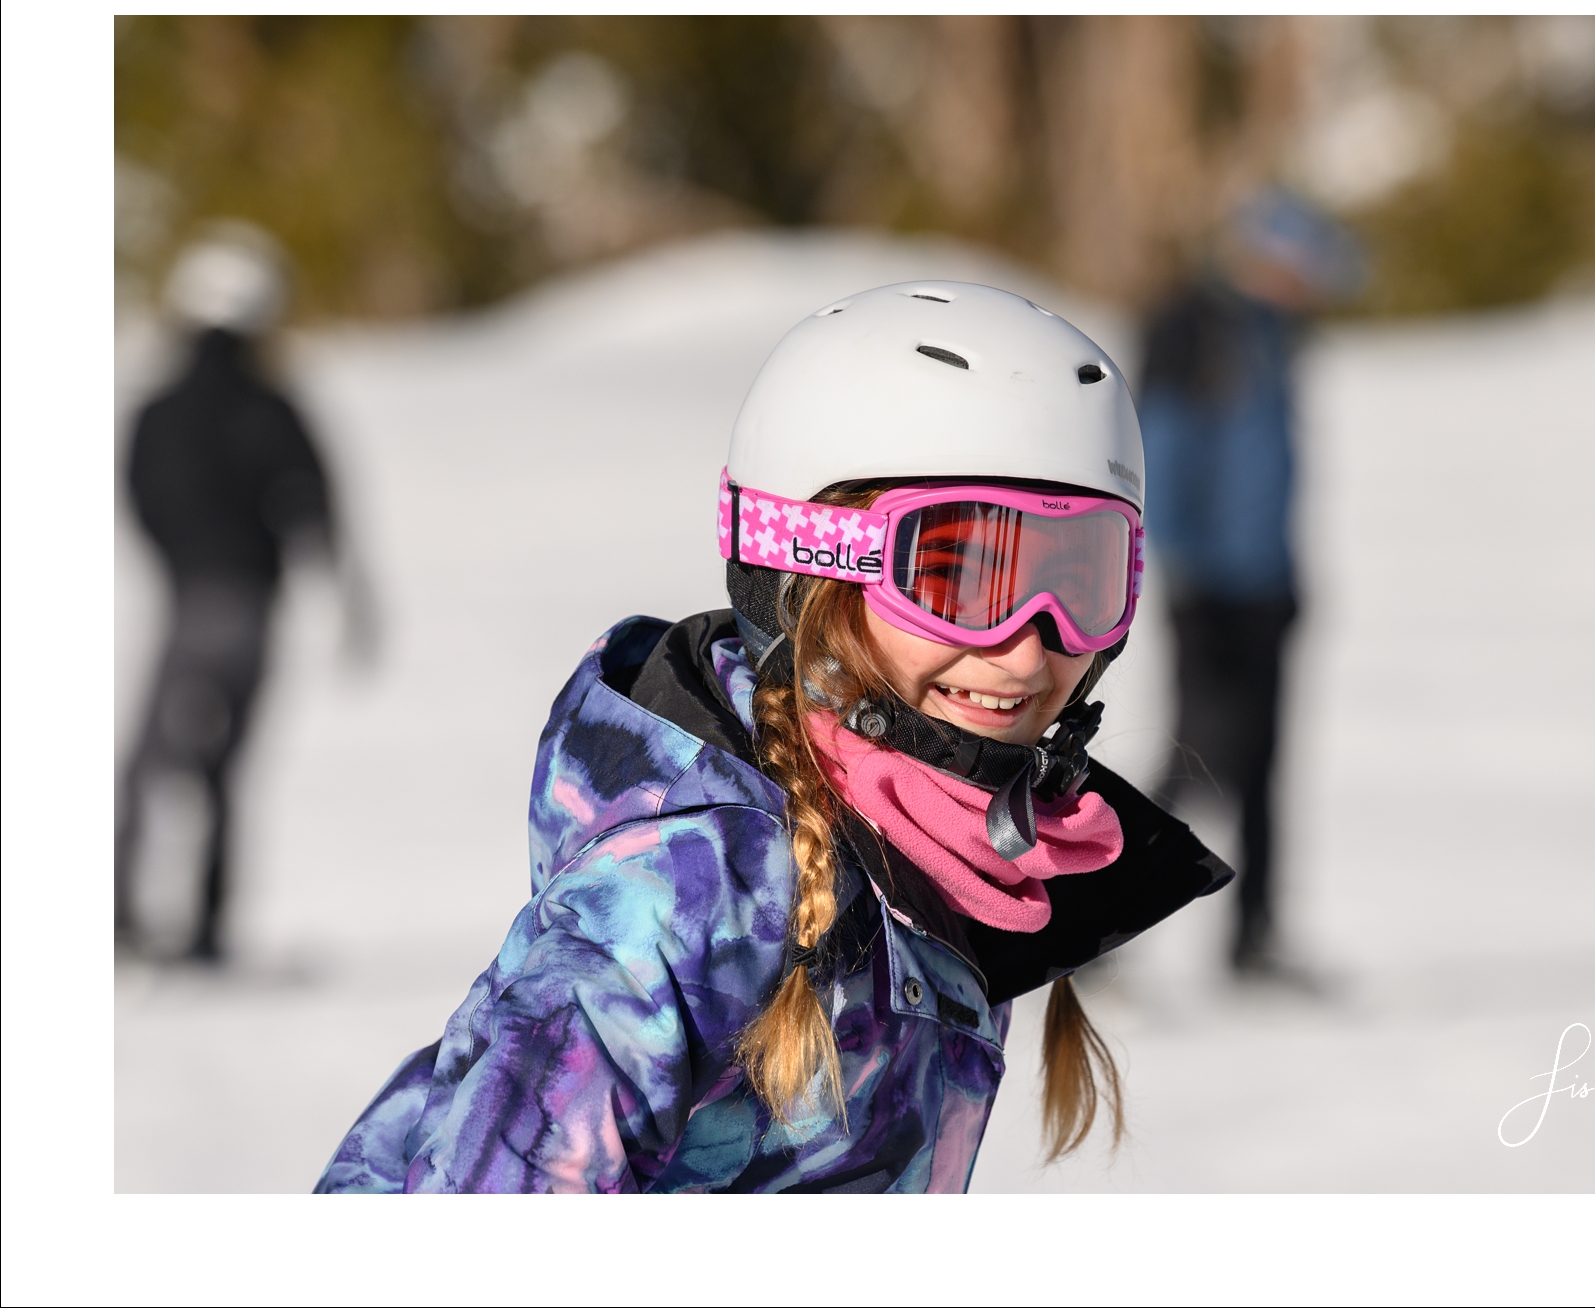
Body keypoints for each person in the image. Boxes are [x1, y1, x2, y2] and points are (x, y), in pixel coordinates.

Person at [315, 282, 1231, 1194]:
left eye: (1080, 578)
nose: (1031, 642)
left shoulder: (939, 851)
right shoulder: (684, 891)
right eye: (958, 574)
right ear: (808, 565)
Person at [116, 224, 370, 963]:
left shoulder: (158, 408)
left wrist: (183, 564)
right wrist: (345, 598)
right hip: (254, 613)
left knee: (148, 764)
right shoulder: (274, 406)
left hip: (191, 605)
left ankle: (120, 919)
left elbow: (141, 499)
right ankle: (203, 930)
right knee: (220, 770)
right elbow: (316, 504)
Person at [1138, 188, 1364, 981]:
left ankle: (1254, 939)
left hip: (1268, 589)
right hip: (1209, 594)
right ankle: (1094, 928)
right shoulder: (1191, 328)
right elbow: (1161, 459)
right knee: (1198, 761)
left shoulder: (1275, 334)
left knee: (1266, 768)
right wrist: (1183, 568)